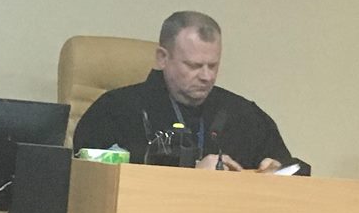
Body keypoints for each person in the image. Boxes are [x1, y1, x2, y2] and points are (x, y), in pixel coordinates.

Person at [73, 11, 296, 172]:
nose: (206, 76)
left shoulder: (243, 115)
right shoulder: (114, 111)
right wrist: (193, 175)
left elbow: (293, 169)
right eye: (194, 66)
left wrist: (275, 170)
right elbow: (91, 186)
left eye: (213, 65)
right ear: (162, 58)